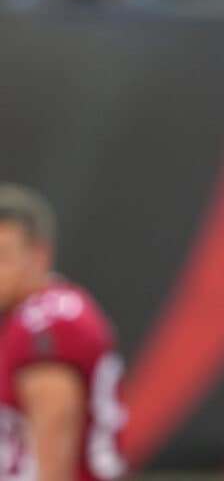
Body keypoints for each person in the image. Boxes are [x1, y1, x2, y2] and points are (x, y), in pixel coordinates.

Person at [0, 183, 127, 480]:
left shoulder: (47, 324)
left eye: (2, 256)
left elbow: (54, 457)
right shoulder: (28, 315)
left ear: (39, 255)